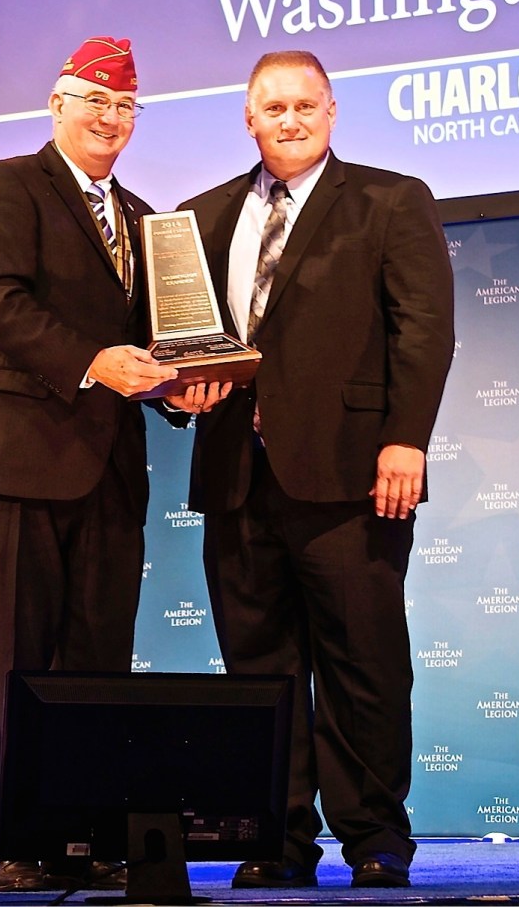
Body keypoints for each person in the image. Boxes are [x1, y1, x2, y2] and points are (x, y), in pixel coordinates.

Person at [172, 51, 454, 889]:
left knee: (364, 662)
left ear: (332, 111)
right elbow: (182, 348)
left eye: (304, 104)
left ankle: (374, 835)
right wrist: (175, 397)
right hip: (234, 476)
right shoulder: (199, 215)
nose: (288, 119)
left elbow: (424, 330)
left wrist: (406, 437)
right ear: (248, 119)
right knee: (258, 668)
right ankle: (276, 835)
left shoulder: (390, 199)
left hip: (353, 473)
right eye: (272, 107)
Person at [0, 36, 198, 893]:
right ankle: (19, 839)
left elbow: (158, 347)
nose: (110, 118)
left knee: (96, 663)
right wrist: (95, 360)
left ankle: (88, 832)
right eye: (95, 100)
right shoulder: (5, 186)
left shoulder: (147, 219)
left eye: (125, 105)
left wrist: (180, 390)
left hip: (109, 472)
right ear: (56, 106)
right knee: (11, 658)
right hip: (10, 463)